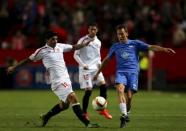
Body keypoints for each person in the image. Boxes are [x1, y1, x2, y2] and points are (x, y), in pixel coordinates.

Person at [7, 31, 100, 128]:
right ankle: (87, 123)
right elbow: (28, 60)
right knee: (73, 97)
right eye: (53, 39)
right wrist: (14, 67)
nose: (55, 41)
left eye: (56, 39)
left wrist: (84, 44)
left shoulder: (60, 46)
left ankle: (46, 116)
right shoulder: (41, 51)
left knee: (64, 105)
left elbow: (73, 47)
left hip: (66, 79)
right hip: (57, 81)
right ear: (47, 40)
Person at [93, 24, 175, 128]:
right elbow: (106, 60)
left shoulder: (135, 43)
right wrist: (97, 73)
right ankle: (123, 115)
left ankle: (127, 112)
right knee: (120, 89)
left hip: (133, 73)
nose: (121, 36)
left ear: (127, 33)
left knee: (130, 97)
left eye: (122, 33)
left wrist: (163, 49)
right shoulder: (115, 46)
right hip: (121, 72)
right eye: (119, 34)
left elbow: (150, 47)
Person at [74, 23, 112, 120]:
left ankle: (102, 109)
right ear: (88, 30)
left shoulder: (98, 42)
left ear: (97, 30)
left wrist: (99, 65)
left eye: (94, 29)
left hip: (95, 68)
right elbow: (75, 55)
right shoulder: (82, 40)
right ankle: (84, 113)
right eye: (91, 29)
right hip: (85, 69)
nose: (93, 31)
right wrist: (83, 65)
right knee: (88, 91)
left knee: (103, 86)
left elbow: (97, 56)